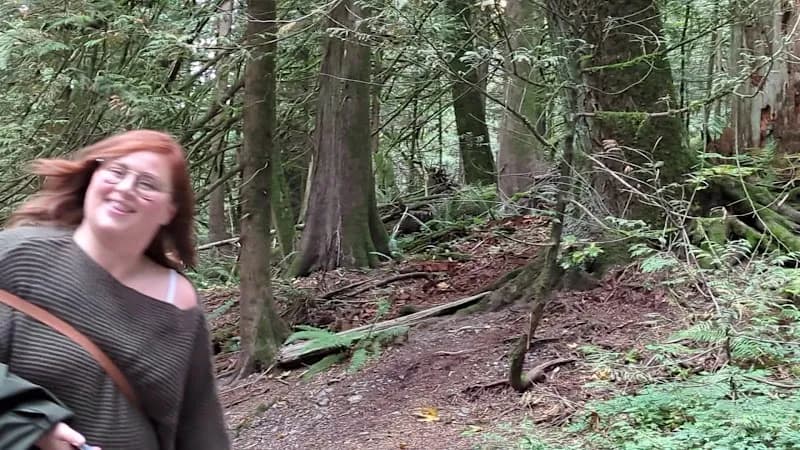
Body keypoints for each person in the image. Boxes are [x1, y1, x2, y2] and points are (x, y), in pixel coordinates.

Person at [0, 130, 231, 449]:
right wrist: (32, 425)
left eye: (147, 183)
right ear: (93, 177)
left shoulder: (180, 302)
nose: (125, 189)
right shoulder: (16, 255)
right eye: (116, 172)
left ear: (169, 210)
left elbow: (199, 423)